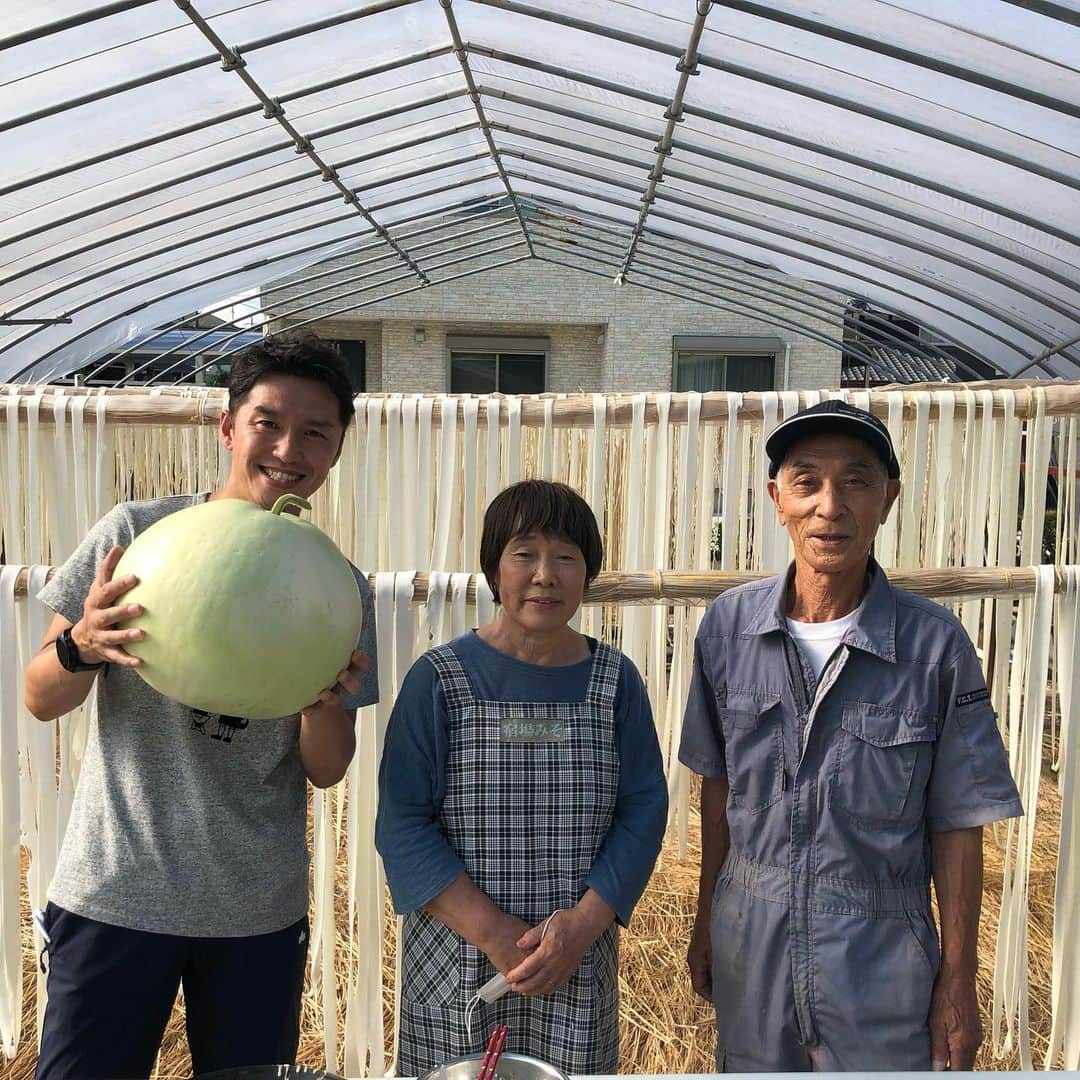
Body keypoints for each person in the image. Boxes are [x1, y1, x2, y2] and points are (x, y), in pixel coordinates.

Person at [24, 333, 379, 1079]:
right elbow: (38, 697)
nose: (290, 449)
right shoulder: (135, 535)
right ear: (227, 428)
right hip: (117, 891)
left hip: (256, 909)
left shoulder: (336, 586)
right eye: (268, 423)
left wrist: (320, 702)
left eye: (316, 432)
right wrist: (82, 644)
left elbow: (328, 768)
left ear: (338, 449)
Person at [679, 400, 1023, 1072]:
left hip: (881, 954)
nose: (829, 506)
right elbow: (716, 793)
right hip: (753, 939)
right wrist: (706, 922)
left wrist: (957, 982)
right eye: (806, 482)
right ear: (777, 500)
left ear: (887, 499)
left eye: (856, 481)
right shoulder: (728, 629)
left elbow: (958, 823)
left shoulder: (933, 646)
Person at [375, 479, 667, 1076]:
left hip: (574, 957)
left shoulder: (615, 683)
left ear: (588, 574)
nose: (545, 575)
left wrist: (584, 926)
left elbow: (643, 809)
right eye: (524, 553)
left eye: (565, 557)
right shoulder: (440, 681)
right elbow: (402, 822)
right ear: (492, 569)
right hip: (457, 954)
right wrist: (495, 933)